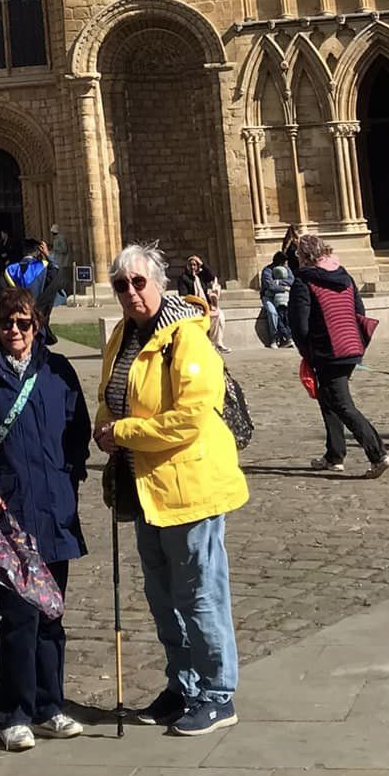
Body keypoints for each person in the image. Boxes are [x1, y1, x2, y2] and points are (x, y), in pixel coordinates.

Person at [95, 241, 247, 737]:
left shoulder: (188, 338)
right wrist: (105, 424)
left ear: (160, 283)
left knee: (200, 594)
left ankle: (218, 693)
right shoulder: (122, 335)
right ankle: (182, 685)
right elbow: (108, 396)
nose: (131, 292)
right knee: (162, 596)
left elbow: (189, 418)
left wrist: (121, 434)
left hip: (190, 484)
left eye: (140, 282)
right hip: (145, 487)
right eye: (122, 285)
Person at [0, 284, 91, 749]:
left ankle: (50, 706)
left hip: (53, 508)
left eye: (23, 323)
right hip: (6, 513)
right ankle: (13, 712)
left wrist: (70, 477)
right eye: (7, 322)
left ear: (38, 327)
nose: (15, 330)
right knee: (17, 617)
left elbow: (78, 430)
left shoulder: (58, 372)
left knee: (52, 612)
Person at [287, 231, 389, 478]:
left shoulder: (304, 282)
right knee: (329, 399)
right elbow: (359, 310)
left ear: (302, 256)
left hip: (327, 351)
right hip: (350, 346)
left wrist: (308, 353)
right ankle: (334, 455)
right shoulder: (344, 277)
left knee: (343, 404)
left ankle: (378, 454)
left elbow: (299, 325)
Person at [176, 253, 226, 350]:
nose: (193, 267)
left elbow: (211, 276)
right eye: (191, 265)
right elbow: (184, 295)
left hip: (206, 304)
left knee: (219, 316)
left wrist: (202, 264)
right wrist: (196, 302)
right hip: (193, 306)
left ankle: (217, 342)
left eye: (195, 265)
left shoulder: (201, 276)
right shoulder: (183, 278)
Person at [258, 253, 295, 348]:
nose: (286, 265)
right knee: (272, 312)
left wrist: (278, 282)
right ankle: (274, 338)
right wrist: (284, 288)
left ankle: (287, 337)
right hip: (268, 297)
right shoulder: (267, 271)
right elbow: (270, 286)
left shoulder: (287, 269)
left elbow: (292, 281)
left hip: (282, 297)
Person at [48, 224, 74, 304]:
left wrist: (56, 249)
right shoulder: (56, 239)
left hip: (62, 261)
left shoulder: (60, 238)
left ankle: (65, 294)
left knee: (62, 279)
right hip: (57, 261)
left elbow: (64, 249)